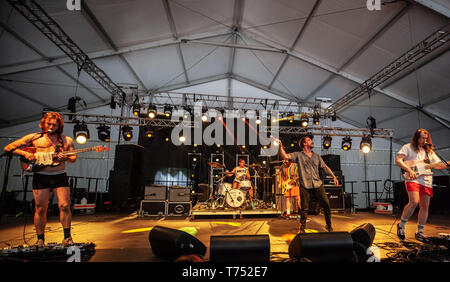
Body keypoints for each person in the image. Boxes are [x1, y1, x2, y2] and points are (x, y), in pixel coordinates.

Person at [4, 112, 76, 247]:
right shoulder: (34, 137)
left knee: (64, 205)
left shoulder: (66, 140)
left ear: (59, 126)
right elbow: (8, 148)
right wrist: (25, 153)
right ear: (44, 123)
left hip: (59, 175)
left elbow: (73, 158)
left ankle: (67, 237)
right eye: (49, 123)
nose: (51, 126)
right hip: (41, 176)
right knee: (40, 208)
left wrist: (65, 158)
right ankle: (40, 239)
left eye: (54, 124)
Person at [275, 136, 339, 232]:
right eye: (309, 140)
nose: (312, 141)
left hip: (317, 184)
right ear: (304, 144)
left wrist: (334, 176)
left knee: (326, 204)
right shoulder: (298, 155)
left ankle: (329, 226)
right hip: (305, 184)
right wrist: (280, 145)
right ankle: (302, 227)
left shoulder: (317, 156)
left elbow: (325, 167)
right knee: (304, 208)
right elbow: (285, 156)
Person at [395, 129, 449, 241]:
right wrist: (408, 169)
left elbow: (438, 165)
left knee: (425, 206)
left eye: (426, 138)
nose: (424, 140)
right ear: (417, 137)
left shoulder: (429, 152)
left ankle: (420, 231)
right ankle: (401, 225)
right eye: (422, 138)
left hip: (426, 180)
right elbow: (398, 160)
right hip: (413, 178)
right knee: (414, 202)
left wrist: (447, 164)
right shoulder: (408, 147)